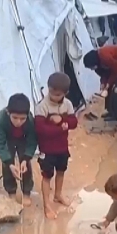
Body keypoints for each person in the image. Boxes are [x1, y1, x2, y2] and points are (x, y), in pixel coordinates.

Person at [34, 72, 78, 219]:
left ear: (65, 93)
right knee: (46, 176)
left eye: (57, 94)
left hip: (62, 147)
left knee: (61, 171)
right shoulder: (42, 106)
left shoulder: (68, 104)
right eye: (51, 92)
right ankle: (47, 205)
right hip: (47, 149)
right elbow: (41, 129)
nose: (53, 96)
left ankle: (58, 195)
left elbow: (74, 123)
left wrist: (61, 119)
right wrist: (61, 127)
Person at [0, 93, 37, 206]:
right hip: (9, 139)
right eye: (15, 118)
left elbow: (32, 141)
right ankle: (11, 192)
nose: (18, 122)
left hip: (23, 139)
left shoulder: (30, 120)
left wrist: (26, 158)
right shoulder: (1, 119)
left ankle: (26, 192)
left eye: (22, 118)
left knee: (26, 165)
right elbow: (0, 142)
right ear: (8, 113)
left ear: (27, 115)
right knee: (7, 164)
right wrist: (9, 163)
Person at [83, 45, 117, 122]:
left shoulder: (105, 57)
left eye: (91, 67)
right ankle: (111, 111)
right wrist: (103, 84)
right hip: (116, 68)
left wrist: (108, 83)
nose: (92, 69)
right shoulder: (98, 64)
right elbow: (104, 74)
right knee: (110, 89)